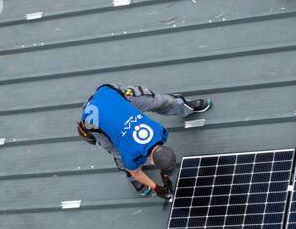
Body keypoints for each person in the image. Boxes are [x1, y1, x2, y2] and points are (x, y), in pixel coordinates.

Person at [78, 84, 211, 198]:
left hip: (111, 96)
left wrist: (164, 176)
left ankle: (185, 106)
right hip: (93, 112)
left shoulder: (161, 132)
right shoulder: (131, 154)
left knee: (158, 101)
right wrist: (156, 187)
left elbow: (155, 151)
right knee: (118, 153)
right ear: (152, 161)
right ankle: (134, 181)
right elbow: (137, 171)